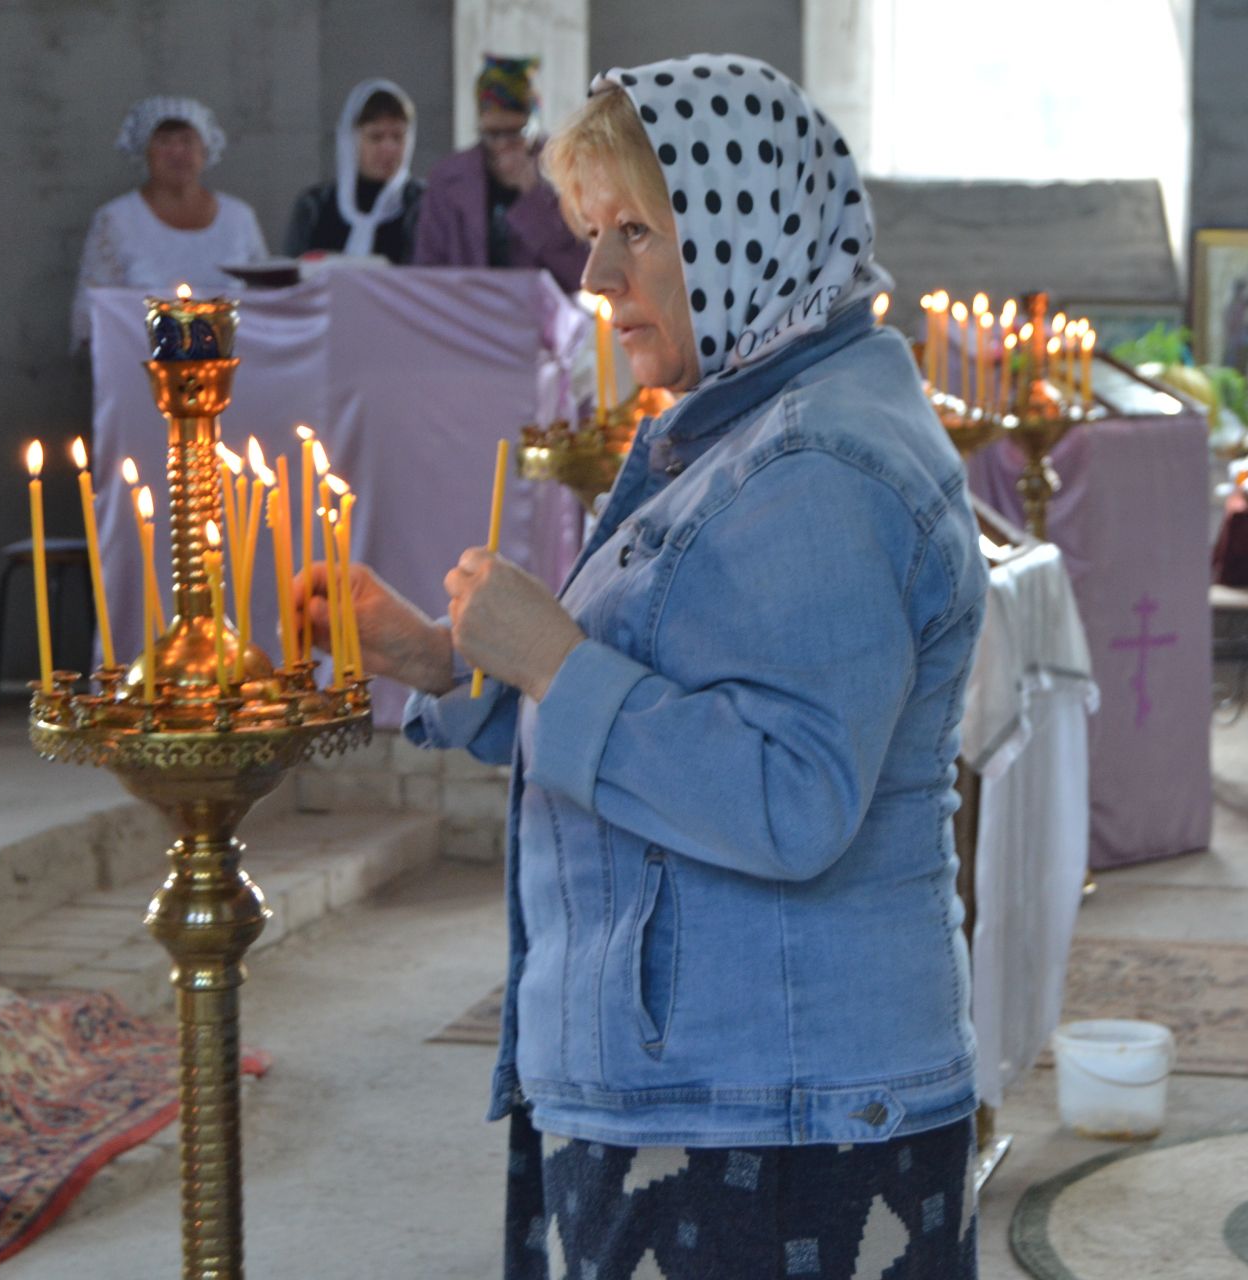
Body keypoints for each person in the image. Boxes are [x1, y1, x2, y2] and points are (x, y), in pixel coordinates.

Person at [300, 54, 985, 1278]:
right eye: (589, 232)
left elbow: (789, 794)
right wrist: (456, 669)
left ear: (740, 227)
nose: (595, 276)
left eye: (635, 234)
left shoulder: (815, 467)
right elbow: (680, 727)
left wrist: (558, 660)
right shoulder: (755, 417)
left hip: (772, 1129)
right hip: (725, 1086)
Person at [71, 97, 268, 349]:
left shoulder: (239, 217)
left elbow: (266, 299)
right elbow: (92, 312)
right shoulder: (115, 219)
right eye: (164, 142)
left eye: (187, 140)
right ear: (145, 151)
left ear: (205, 149)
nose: (177, 152)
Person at [410, 55, 588, 291]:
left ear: (533, 124)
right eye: (493, 133)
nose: (503, 144)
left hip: (539, 317)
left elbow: (580, 271)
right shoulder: (448, 178)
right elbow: (427, 266)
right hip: (466, 315)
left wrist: (534, 196)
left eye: (515, 132)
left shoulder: (566, 170)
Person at [283, 79, 426, 261]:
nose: (389, 148)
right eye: (376, 137)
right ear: (351, 141)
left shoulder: (422, 204)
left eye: (398, 137)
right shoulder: (314, 206)